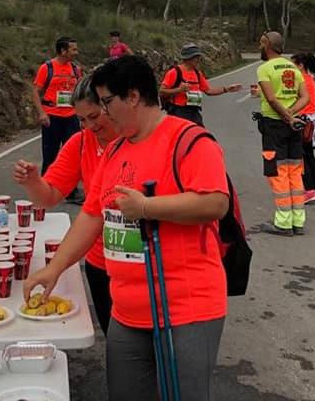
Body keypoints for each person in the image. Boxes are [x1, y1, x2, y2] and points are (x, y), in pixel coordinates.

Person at [23, 55, 229, 401]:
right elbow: (92, 215)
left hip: (184, 308)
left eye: (107, 102)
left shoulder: (190, 139)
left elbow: (215, 203)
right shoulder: (117, 148)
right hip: (127, 309)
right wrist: (55, 268)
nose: (103, 113)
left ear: (132, 96)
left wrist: (147, 207)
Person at [12, 75, 116, 334]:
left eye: (94, 116)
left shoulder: (135, 140)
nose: (89, 126)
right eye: (81, 120)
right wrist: (33, 181)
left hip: (143, 264)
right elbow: (48, 197)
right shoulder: (80, 143)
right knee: (116, 340)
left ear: (111, 107)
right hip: (100, 260)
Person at [255, 31, 309, 237]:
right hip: (293, 126)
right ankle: (298, 221)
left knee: (277, 173)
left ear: (266, 45)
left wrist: (285, 115)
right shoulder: (293, 69)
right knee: (295, 172)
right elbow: (305, 97)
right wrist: (292, 114)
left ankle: (283, 223)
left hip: (274, 126)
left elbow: (271, 99)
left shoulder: (264, 69)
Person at [32, 37, 83, 201]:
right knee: (50, 154)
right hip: (52, 116)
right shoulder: (47, 68)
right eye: (73, 49)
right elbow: (35, 92)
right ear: (63, 51)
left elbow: (80, 93)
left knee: (74, 155)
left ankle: (71, 191)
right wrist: (41, 113)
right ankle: (44, 189)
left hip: (71, 117)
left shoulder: (75, 69)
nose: (76, 52)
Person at [159, 43, 242, 126]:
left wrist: (226, 89)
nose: (199, 59)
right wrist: (178, 90)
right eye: (196, 57)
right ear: (188, 58)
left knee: (200, 136)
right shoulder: (175, 72)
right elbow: (161, 92)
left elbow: (209, 91)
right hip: (178, 112)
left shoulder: (197, 73)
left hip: (194, 112)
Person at [292, 53, 315, 204]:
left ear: (300, 65)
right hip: (312, 120)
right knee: (310, 157)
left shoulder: (301, 80)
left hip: (304, 121)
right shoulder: (310, 79)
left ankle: (309, 190)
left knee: (303, 157)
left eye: (293, 65)